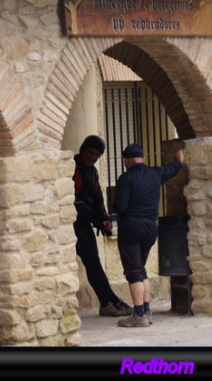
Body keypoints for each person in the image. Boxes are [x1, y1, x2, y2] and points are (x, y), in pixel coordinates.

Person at [112, 143, 184, 327]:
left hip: (131, 228)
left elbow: (120, 206)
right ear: (143, 159)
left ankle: (138, 315)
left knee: (134, 271)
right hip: (151, 228)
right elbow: (173, 168)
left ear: (126, 161)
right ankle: (146, 310)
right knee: (141, 269)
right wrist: (179, 160)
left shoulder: (126, 179)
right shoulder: (156, 174)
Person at [72, 135, 133, 317]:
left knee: (94, 264)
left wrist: (104, 219)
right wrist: (96, 220)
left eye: (97, 155)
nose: (93, 157)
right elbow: (76, 202)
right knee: (93, 264)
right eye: (90, 153)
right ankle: (110, 301)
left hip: (85, 223)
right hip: (74, 223)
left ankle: (108, 302)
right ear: (83, 150)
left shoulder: (93, 172)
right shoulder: (73, 168)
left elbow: (97, 198)